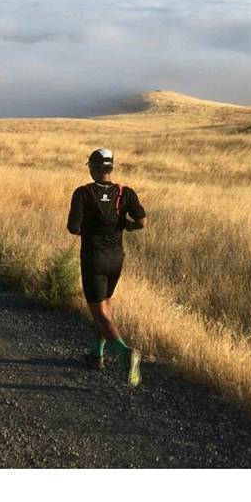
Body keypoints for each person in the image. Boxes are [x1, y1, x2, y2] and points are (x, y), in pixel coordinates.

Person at [66, 147, 146, 386]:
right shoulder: (125, 193)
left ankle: (125, 352)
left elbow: (73, 227)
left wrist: (89, 229)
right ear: (111, 168)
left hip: (93, 258)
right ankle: (97, 355)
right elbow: (142, 222)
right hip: (116, 258)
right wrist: (124, 226)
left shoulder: (83, 193)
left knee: (99, 313)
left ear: (92, 167)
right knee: (106, 306)